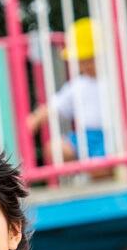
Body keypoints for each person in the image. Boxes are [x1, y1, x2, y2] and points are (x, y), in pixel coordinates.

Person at [26, 18, 113, 178]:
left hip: (110, 134)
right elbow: (55, 106)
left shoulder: (113, 80)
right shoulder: (78, 85)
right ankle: (82, 176)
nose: (85, 65)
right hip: (85, 135)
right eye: (81, 61)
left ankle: (98, 180)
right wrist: (36, 118)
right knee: (55, 149)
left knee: (100, 165)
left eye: (90, 59)